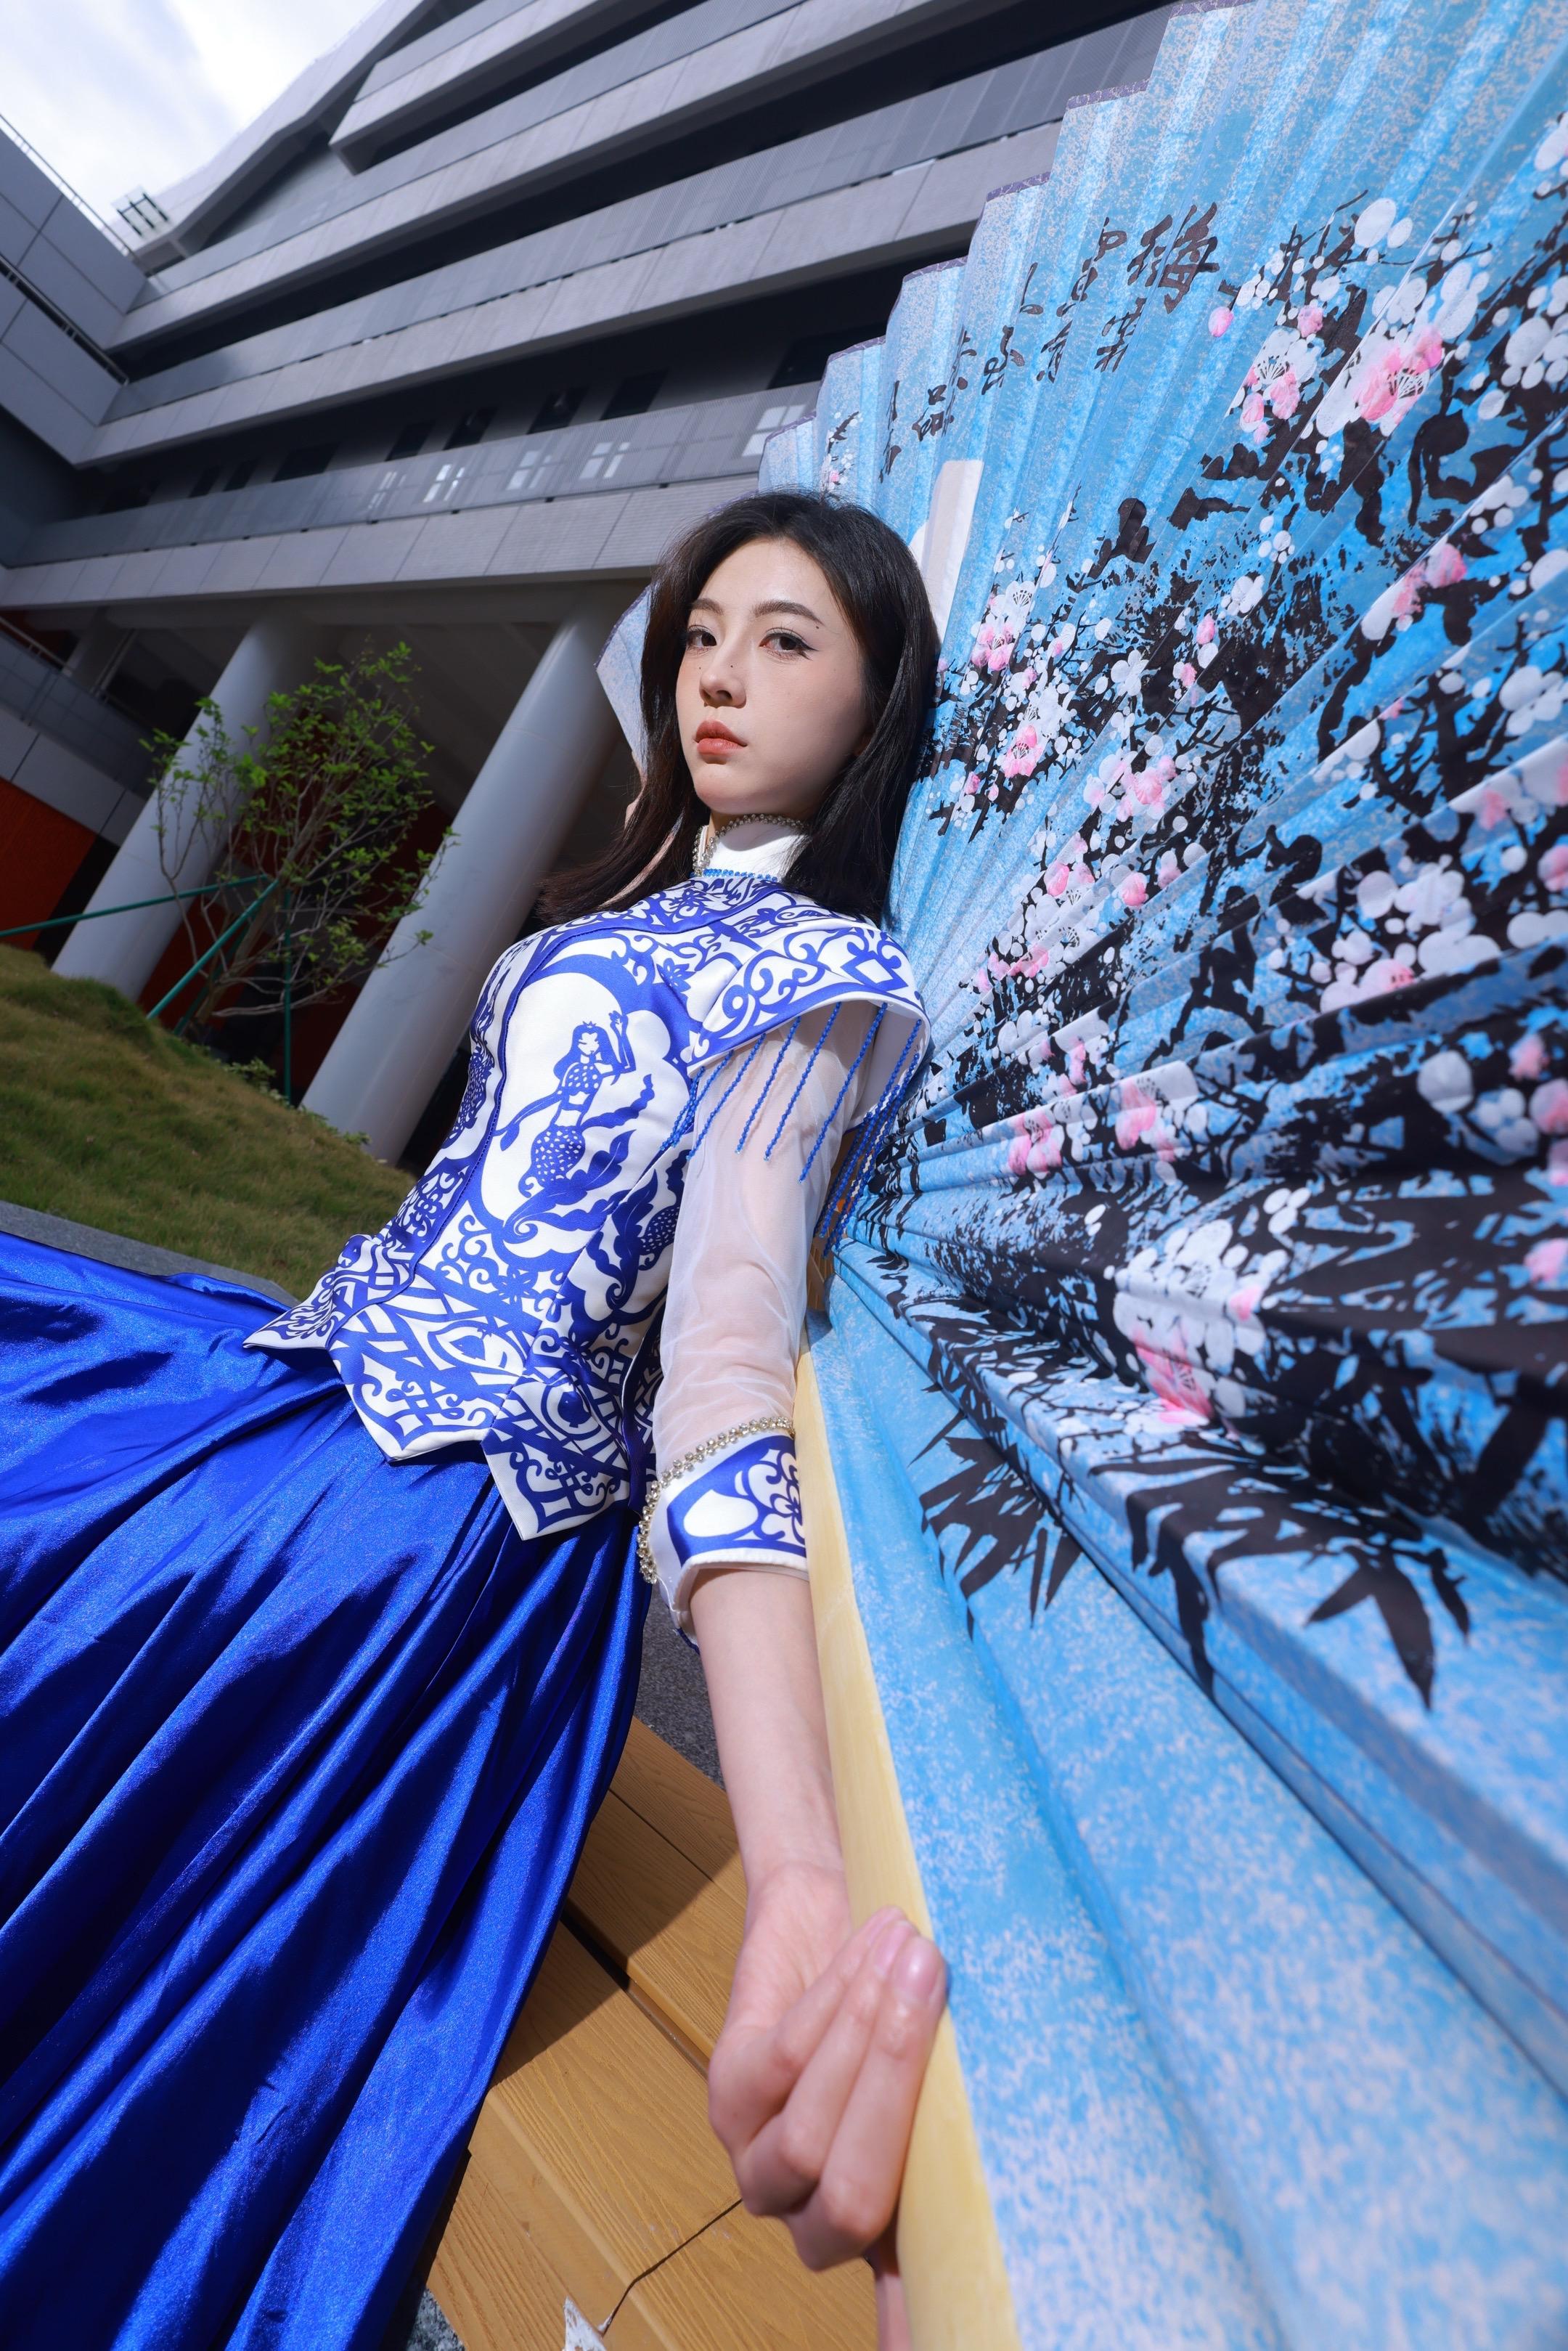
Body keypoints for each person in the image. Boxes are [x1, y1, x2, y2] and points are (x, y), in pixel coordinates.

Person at [0, 491, 948, 2350]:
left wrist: (800, 1868)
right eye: (701, 634)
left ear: (876, 700)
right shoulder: (651, 903)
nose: (719, 675)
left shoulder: (822, 983)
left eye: (785, 642)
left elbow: (727, 1361)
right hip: (322, 1395)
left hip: (443, 1538)